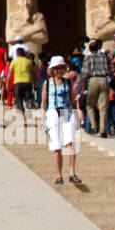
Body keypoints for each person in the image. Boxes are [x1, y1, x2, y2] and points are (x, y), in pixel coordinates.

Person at [44, 56, 81, 186]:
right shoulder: (47, 83)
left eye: (61, 68)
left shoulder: (68, 83)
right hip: (53, 112)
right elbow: (43, 102)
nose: (59, 71)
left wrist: (76, 115)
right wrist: (42, 119)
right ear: (52, 70)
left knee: (70, 142)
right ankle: (59, 175)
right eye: (57, 68)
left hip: (66, 111)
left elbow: (72, 100)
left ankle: (72, 172)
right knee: (56, 146)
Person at [82, 39, 112, 137]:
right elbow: (109, 70)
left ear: (90, 49)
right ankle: (103, 130)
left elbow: (85, 73)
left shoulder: (88, 58)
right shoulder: (104, 57)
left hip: (93, 80)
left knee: (90, 105)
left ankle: (94, 126)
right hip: (104, 79)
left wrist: (83, 87)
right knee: (103, 107)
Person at [8, 47, 36, 122]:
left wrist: (8, 83)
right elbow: (33, 73)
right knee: (28, 97)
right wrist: (36, 82)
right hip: (28, 81)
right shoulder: (29, 62)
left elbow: (10, 73)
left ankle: (22, 117)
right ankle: (29, 105)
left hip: (17, 82)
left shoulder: (14, 62)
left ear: (17, 54)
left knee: (19, 100)